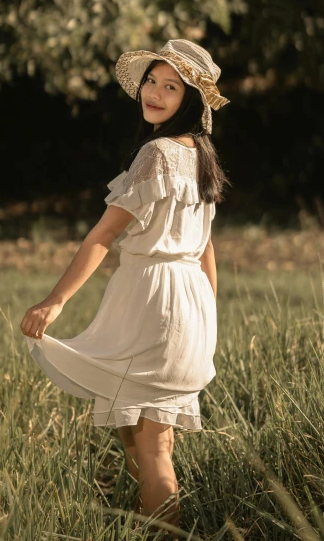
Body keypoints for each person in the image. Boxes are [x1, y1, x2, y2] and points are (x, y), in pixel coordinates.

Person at [20, 39, 230, 539]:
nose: (154, 93)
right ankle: (148, 528)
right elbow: (206, 249)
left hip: (155, 301)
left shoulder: (157, 154)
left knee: (151, 447)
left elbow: (104, 234)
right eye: (152, 82)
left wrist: (55, 300)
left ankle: (165, 534)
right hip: (187, 300)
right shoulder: (201, 154)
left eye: (171, 87)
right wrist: (209, 310)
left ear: (192, 100)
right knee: (137, 434)